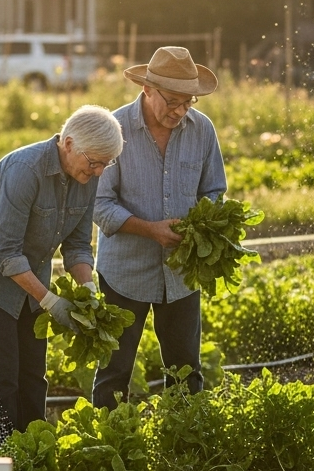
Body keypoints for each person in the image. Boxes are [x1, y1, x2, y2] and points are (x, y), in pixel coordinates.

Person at [0, 104, 124, 434]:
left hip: (31, 273)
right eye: (94, 162)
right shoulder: (25, 169)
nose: (99, 171)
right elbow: (6, 253)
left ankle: (33, 454)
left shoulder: (86, 178)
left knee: (32, 373)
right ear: (69, 143)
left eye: (107, 163)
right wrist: (50, 301)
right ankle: (0, 465)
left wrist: (88, 290)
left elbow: (76, 245)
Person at [91, 46, 226, 410]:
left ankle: (184, 451)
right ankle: (109, 450)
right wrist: (151, 230)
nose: (180, 111)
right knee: (114, 372)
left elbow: (214, 191)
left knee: (186, 372)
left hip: (182, 273)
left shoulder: (202, 130)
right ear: (148, 89)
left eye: (189, 102)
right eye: (173, 101)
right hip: (124, 272)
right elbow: (100, 205)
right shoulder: (114, 131)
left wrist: (200, 224)